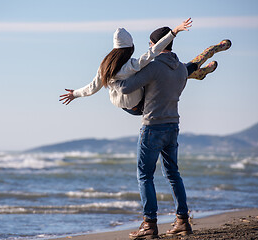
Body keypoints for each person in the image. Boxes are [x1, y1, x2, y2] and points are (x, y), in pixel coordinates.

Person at [112, 27, 230, 239]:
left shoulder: (154, 66)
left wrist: (111, 79)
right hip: (172, 126)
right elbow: (190, 67)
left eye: (150, 44)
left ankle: (149, 224)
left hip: (152, 127)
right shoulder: (181, 69)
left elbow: (126, 88)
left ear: (156, 45)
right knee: (173, 175)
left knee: (145, 175)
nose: (149, 48)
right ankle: (182, 221)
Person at [59, 22, 231, 116]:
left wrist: (74, 94)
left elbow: (92, 87)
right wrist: (174, 31)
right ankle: (198, 67)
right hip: (139, 106)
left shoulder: (104, 66)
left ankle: (197, 74)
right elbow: (154, 51)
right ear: (130, 47)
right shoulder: (132, 65)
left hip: (128, 108)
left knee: (154, 73)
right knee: (158, 72)